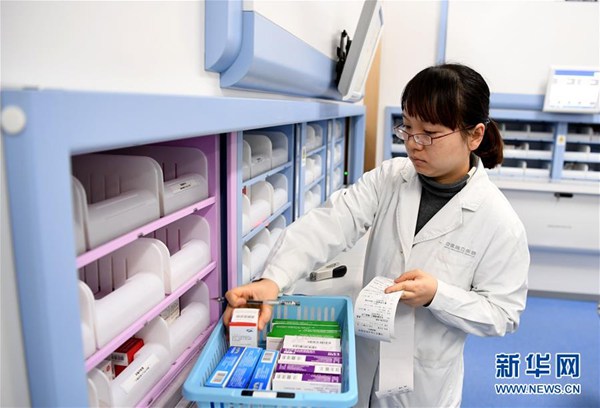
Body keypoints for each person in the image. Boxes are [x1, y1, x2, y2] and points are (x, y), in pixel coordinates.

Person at [222, 63, 529, 407]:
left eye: (429, 133)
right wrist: (273, 279)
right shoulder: (391, 178)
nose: (413, 144)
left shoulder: (498, 221)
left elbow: (503, 313)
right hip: (366, 356)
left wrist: (438, 296)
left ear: (474, 135)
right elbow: (330, 222)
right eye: (407, 128)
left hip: (423, 385)